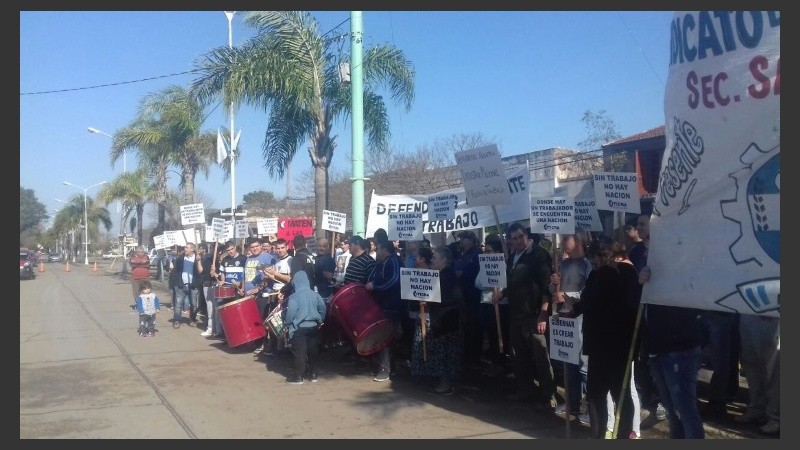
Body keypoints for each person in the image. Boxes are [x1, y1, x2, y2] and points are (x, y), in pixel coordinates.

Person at [574, 236, 638, 439]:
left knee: (620, 394)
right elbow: (587, 301)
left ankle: (623, 435)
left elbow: (630, 308)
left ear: (606, 255)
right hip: (597, 344)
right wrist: (571, 306)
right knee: (595, 393)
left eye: (595, 257)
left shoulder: (626, 273)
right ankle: (598, 434)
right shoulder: (596, 274)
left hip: (618, 346)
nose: (592, 262)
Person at [492, 223, 555, 410]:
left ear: (527, 236)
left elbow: (547, 287)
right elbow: (512, 283)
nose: (518, 241)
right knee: (519, 356)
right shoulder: (512, 256)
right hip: (516, 315)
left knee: (541, 357)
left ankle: (548, 395)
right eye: (514, 238)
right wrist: (502, 294)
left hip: (534, 315)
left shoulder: (539, 255)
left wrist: (543, 313)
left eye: (520, 237)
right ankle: (525, 391)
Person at [639, 265, 705, 439]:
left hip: (679, 348)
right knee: (672, 410)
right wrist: (641, 284)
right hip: (658, 348)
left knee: (684, 409)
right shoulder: (651, 264)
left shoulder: (682, 262)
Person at [549, 233, 592, 423]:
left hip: (581, 319)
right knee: (568, 362)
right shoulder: (563, 265)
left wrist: (566, 296)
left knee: (584, 365)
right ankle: (572, 403)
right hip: (564, 318)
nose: (563, 242)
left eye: (567, 238)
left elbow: (590, 294)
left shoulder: (587, 265)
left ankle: (591, 407)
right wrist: (553, 285)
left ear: (579, 240)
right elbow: (552, 290)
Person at [410, 246, 464, 394]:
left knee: (446, 354)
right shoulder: (437, 274)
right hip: (440, 322)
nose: (432, 259)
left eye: (435, 257)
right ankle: (440, 381)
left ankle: (446, 384)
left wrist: (430, 301)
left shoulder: (448, 275)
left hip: (447, 323)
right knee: (439, 354)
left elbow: (452, 298)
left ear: (444, 259)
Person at [736, 313, 780, 436]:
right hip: (747, 312)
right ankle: (756, 408)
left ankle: (775, 417)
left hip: (771, 315)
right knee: (750, 363)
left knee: (772, 369)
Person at [365, 239, 403, 382]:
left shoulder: (393, 261)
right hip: (382, 305)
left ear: (385, 250)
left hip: (391, 305)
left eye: (379, 249)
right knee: (386, 337)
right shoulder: (381, 263)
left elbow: (394, 280)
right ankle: (390, 367)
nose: (377, 252)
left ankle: (385, 369)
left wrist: (375, 287)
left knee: (385, 337)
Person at [283, 271, 328, 385]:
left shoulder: (294, 297)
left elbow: (291, 314)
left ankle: (298, 376)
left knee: (300, 352)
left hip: (299, 328)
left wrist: (287, 324)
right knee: (313, 351)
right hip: (313, 326)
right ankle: (313, 374)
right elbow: (322, 308)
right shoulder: (315, 294)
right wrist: (320, 320)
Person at [453, 230, 483, 372]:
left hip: (473, 296)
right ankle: (466, 355)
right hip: (461, 296)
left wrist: (464, 273)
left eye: (463, 238)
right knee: (465, 326)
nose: (461, 241)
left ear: (471, 240)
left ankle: (475, 357)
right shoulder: (462, 255)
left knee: (474, 326)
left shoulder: (477, 254)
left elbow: (480, 272)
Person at [243, 237, 278, 355]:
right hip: (248, 295)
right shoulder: (248, 259)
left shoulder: (267, 257)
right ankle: (256, 342)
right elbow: (246, 276)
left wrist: (257, 289)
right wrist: (244, 289)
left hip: (262, 294)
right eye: (252, 247)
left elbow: (268, 277)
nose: (254, 249)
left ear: (261, 246)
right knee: (253, 320)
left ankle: (263, 343)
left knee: (261, 320)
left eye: (256, 246)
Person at [215, 241, 248, 338]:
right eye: (228, 250)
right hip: (227, 290)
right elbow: (223, 274)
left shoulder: (243, 259)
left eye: (232, 249)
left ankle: (240, 335)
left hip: (238, 290)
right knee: (229, 314)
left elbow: (245, 275)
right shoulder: (225, 260)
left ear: (235, 248)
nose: (230, 252)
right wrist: (222, 281)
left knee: (238, 313)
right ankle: (229, 335)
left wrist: (241, 286)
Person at [169, 243, 201, 328]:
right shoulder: (181, 258)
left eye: (187, 247)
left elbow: (200, 271)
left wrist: (198, 261)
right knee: (178, 303)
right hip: (181, 285)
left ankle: (193, 319)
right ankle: (177, 320)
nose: (185, 249)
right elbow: (175, 270)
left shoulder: (197, 258)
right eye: (185, 247)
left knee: (193, 304)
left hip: (193, 285)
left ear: (192, 249)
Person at [196, 243, 217, 337]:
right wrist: (199, 260)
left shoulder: (221, 260)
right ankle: (210, 328)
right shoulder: (206, 258)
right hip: (207, 284)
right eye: (213, 248)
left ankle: (218, 330)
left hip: (218, 285)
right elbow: (201, 271)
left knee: (217, 309)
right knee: (210, 308)